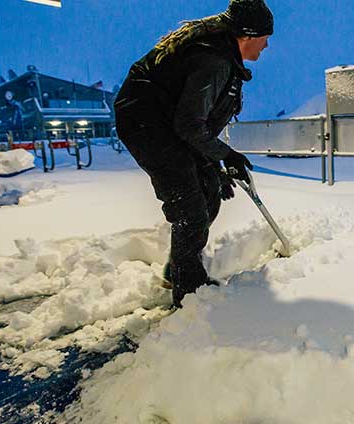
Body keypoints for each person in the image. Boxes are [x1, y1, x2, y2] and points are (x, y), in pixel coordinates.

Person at [114, 0, 273, 308]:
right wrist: (226, 155)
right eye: (265, 37)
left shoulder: (221, 57)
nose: (267, 45)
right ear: (247, 35)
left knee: (210, 192)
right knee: (189, 206)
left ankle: (178, 269)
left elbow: (193, 123)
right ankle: (190, 292)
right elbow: (188, 124)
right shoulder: (214, 61)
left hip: (168, 125)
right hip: (147, 126)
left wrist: (214, 164)